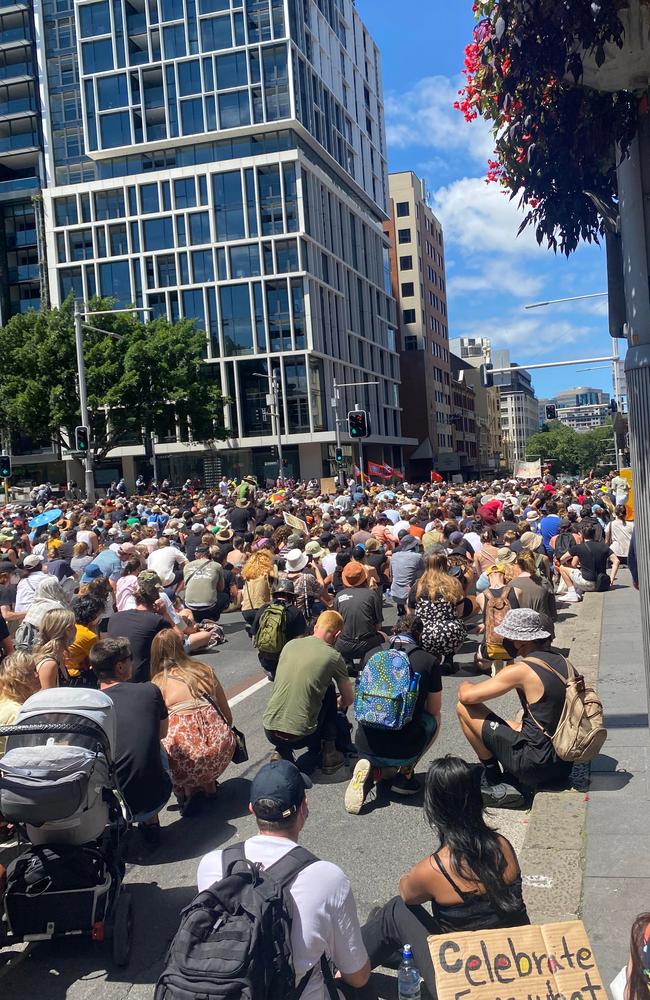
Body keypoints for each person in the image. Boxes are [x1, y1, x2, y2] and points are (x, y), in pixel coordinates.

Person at [197, 760, 370, 1000]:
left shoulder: (213, 864)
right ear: (303, 809)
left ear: (251, 810)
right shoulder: (327, 878)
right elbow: (357, 976)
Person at [361, 757, 529, 998]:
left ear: (434, 808)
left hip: (464, 978)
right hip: (514, 961)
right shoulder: (503, 845)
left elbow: (406, 893)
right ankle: (394, 952)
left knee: (395, 912)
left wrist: (416, 879)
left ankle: (344, 966)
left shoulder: (435, 868)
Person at [456, 608, 573, 808]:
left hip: (534, 764)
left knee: (463, 708)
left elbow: (467, 696)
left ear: (520, 641)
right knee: (512, 723)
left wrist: (464, 684)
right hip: (563, 762)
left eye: (507, 636)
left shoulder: (522, 670)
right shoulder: (563, 662)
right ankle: (507, 774)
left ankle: (495, 779)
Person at [346, 615, 442, 813]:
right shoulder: (428, 661)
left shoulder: (371, 653)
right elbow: (433, 710)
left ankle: (371, 765)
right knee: (435, 719)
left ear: (394, 631)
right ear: (419, 634)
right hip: (403, 748)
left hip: (364, 742)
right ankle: (405, 772)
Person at [91, 636, 171, 848]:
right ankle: (150, 823)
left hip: (105, 807)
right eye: (130, 658)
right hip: (153, 798)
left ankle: (114, 825)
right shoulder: (148, 691)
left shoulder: (87, 705)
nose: (133, 662)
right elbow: (163, 734)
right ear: (120, 666)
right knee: (158, 743)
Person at [150, 630, 235, 816]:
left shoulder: (158, 684)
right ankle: (209, 787)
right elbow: (227, 717)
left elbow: (158, 732)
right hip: (222, 751)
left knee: (169, 741)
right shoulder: (204, 669)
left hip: (186, 764)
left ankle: (187, 792)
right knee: (202, 738)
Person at [262, 611, 354, 774]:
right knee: (330, 690)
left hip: (269, 730)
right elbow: (348, 699)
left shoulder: (290, 645)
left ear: (316, 626)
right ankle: (329, 753)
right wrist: (339, 703)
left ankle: (282, 751)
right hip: (301, 736)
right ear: (337, 634)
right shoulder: (333, 656)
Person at [411, 554, 467, 673]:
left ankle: (429, 657)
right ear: (446, 565)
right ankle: (449, 658)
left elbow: (411, 611)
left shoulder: (418, 584)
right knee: (460, 625)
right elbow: (460, 612)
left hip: (424, 632)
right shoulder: (454, 583)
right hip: (448, 631)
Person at [106, 581, 172, 682]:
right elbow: (178, 640)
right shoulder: (157, 621)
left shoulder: (114, 617)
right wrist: (164, 613)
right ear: (156, 602)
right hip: (140, 678)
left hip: (112, 675)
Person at [251, 581, 308, 679]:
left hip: (266, 662)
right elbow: (301, 641)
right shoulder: (295, 612)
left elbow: (254, 635)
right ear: (290, 596)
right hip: (286, 662)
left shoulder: (263, 609)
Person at [333, 561, 384, 668]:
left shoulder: (339, 596)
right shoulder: (372, 595)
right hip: (367, 645)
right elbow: (378, 624)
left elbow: (337, 624)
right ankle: (367, 661)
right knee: (384, 636)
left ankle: (347, 661)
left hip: (343, 645)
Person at [557, 523, 612, 601]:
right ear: (594, 534)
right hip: (601, 583)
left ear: (582, 535)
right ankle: (577, 592)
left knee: (562, 568)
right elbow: (616, 561)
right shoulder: (603, 546)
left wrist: (567, 564)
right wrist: (612, 578)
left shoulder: (578, 547)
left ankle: (572, 593)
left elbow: (562, 559)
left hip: (587, 583)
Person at [0, 651, 39, 755]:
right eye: (32, 671)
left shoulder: (4, 703)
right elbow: (29, 755)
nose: (37, 675)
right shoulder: (17, 713)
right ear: (19, 678)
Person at [32, 608, 77, 689]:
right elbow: (48, 699)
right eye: (74, 625)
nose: (76, 629)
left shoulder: (58, 656)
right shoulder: (49, 664)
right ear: (68, 630)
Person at [64, 594, 103, 687]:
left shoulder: (72, 625)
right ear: (93, 616)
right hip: (75, 676)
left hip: (65, 671)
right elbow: (98, 659)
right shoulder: (89, 636)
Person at [183, 544, 227, 622]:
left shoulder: (187, 566)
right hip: (209, 605)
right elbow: (221, 588)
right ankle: (212, 618)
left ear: (196, 555)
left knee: (185, 596)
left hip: (189, 604)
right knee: (224, 597)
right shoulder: (217, 566)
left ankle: (196, 619)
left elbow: (186, 585)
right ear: (209, 554)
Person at [241, 548, 275, 630]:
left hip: (246, 610)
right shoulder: (268, 573)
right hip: (262, 609)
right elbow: (274, 589)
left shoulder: (247, 576)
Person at [389, 535, 424, 615]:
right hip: (410, 594)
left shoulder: (394, 556)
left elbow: (392, 575)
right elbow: (424, 574)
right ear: (414, 545)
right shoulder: (418, 557)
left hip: (395, 592)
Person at [606, 504, 633, 584]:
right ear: (626, 513)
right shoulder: (631, 525)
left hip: (616, 552)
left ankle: (611, 579)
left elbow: (607, 540)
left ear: (615, 513)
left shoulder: (611, 524)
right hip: (629, 553)